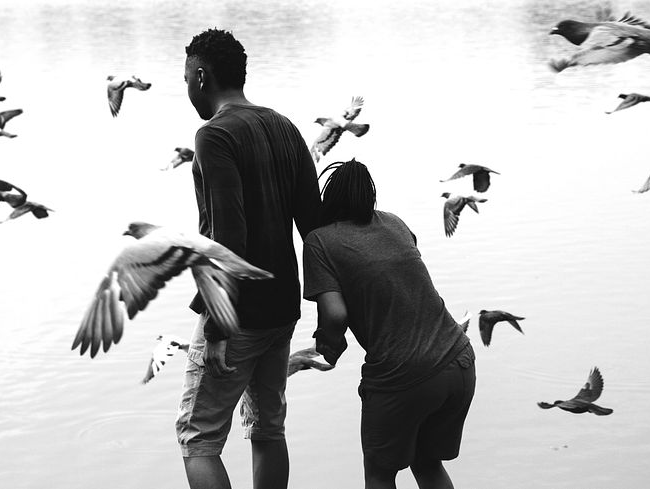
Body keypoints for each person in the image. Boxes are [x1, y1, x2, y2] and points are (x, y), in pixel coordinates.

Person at [175, 28, 321, 489]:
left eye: (185, 79)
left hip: (236, 316)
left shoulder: (214, 136)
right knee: (268, 430)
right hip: (282, 309)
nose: (186, 89)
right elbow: (314, 226)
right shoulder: (284, 126)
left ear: (201, 76)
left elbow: (227, 236)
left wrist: (217, 326)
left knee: (198, 440)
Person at [303, 159, 475, 489]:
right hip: (458, 360)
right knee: (427, 464)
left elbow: (335, 315)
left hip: (404, 373)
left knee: (380, 474)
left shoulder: (319, 242)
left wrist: (328, 344)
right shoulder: (395, 223)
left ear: (330, 198)